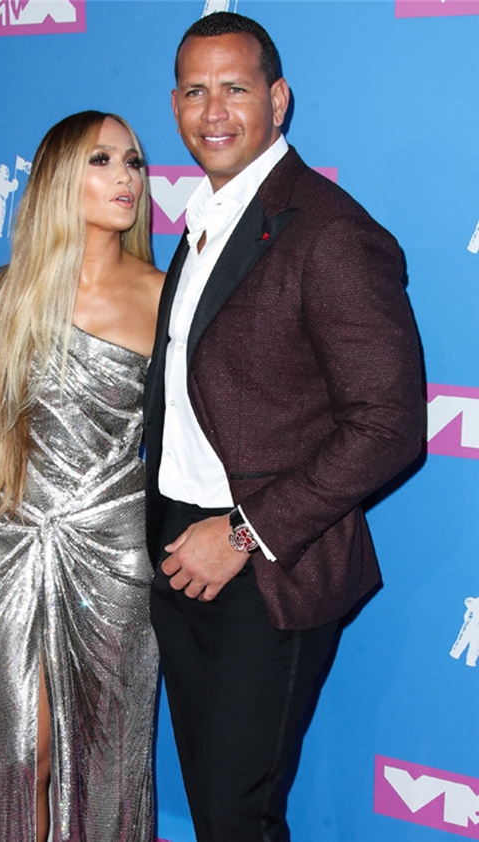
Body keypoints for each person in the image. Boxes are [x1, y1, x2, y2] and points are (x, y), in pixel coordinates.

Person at [145, 12, 423, 842]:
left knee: (237, 816)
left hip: (268, 565)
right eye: (195, 91)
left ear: (278, 100)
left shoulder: (329, 231)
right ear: (174, 104)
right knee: (213, 807)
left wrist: (242, 534)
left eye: (234, 88)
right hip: (175, 543)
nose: (213, 111)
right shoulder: (203, 217)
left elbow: (389, 423)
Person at [0, 111, 164, 842]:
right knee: (24, 755)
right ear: (57, 179)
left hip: (116, 555)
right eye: (102, 160)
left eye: (133, 162)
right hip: (16, 547)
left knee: (110, 765)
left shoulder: (166, 295)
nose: (125, 177)